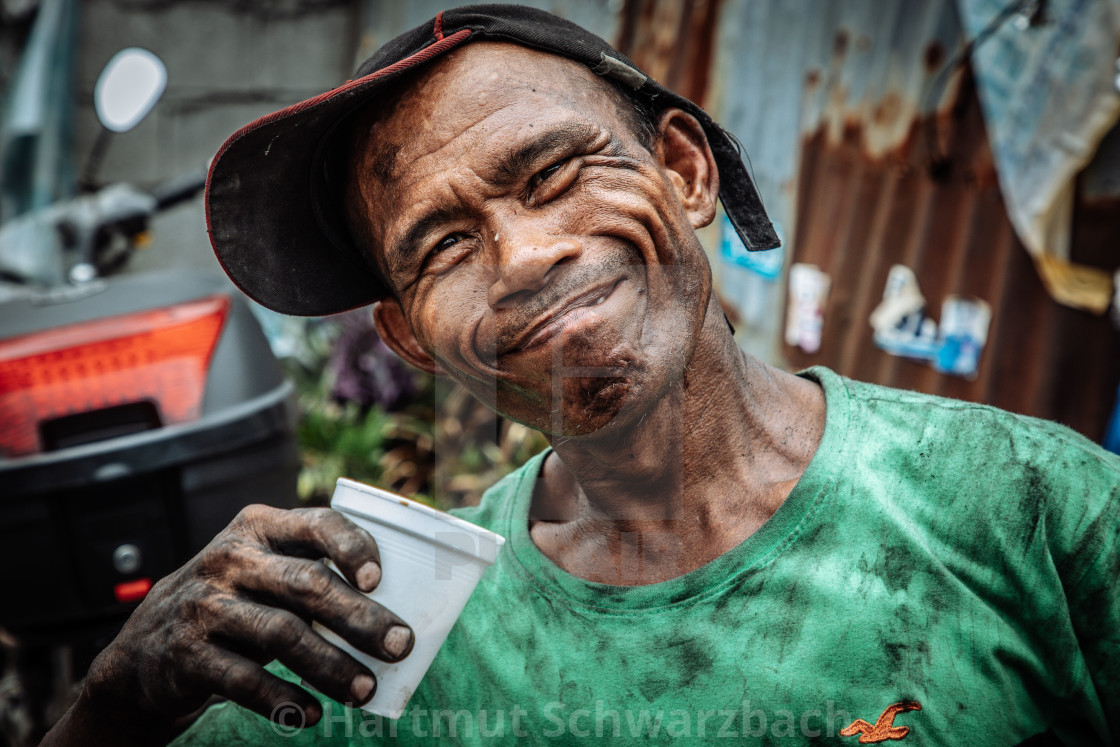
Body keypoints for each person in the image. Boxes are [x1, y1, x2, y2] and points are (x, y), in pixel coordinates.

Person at [45, 5, 1119, 745]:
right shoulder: (393, 628)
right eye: (442, 248)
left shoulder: (1021, 507)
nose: (523, 259)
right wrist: (117, 705)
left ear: (686, 171)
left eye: (556, 173)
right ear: (412, 335)